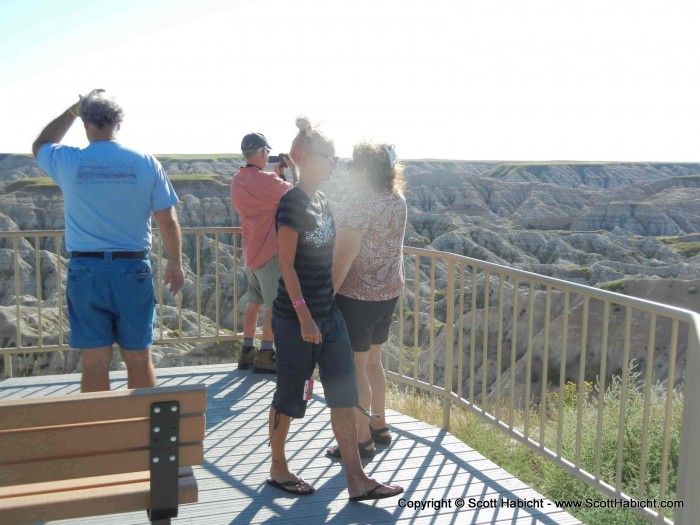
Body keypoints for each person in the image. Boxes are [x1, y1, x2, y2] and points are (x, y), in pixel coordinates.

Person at [266, 117, 403, 501]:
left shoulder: (321, 199)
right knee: (291, 395)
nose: (335, 162)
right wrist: (304, 315)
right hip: (297, 318)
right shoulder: (292, 202)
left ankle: (357, 479)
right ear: (309, 158)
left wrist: (324, 311)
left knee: (343, 393)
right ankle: (278, 467)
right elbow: (287, 264)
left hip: (329, 315)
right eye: (329, 155)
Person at [32, 89, 185, 393]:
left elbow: (41, 144)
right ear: (119, 123)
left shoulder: (68, 161)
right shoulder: (146, 163)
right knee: (139, 358)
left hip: (85, 271)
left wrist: (72, 110)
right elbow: (167, 220)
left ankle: (100, 432)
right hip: (132, 270)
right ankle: (143, 432)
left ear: (86, 124)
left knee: (94, 362)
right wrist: (176, 262)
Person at [330, 143, 407, 455]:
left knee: (356, 367)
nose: (348, 170)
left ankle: (361, 439)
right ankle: (380, 425)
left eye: (353, 165)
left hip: (358, 298)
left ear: (364, 170)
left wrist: (325, 297)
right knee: (374, 363)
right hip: (388, 294)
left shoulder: (362, 204)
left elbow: (343, 258)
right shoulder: (397, 199)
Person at [231, 132, 297, 373]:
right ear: (261, 152)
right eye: (266, 152)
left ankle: (247, 351)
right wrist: (293, 170)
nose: (267, 156)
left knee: (254, 303)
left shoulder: (238, 179)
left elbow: (262, 190)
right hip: (270, 252)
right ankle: (266, 354)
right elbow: (296, 194)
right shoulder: (267, 182)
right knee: (276, 306)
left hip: (251, 251)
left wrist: (275, 175)